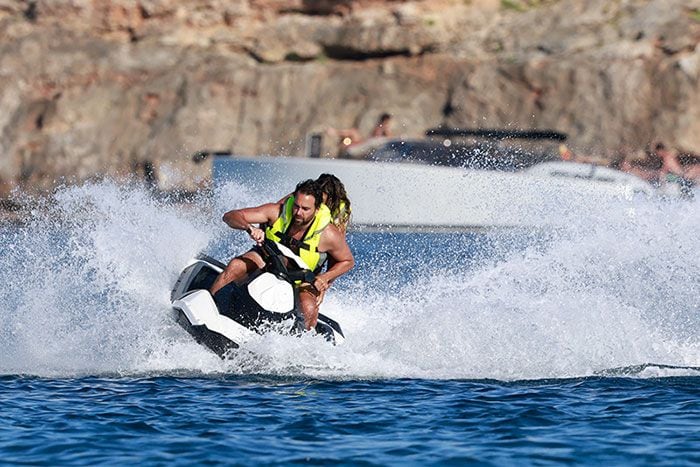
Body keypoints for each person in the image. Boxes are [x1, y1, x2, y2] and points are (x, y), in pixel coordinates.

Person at [210, 179, 355, 330]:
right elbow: (230, 216)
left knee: (309, 308)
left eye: (305, 209)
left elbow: (347, 261)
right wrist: (250, 228)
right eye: (296, 206)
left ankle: (301, 343)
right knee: (236, 265)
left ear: (317, 209)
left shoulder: (329, 234)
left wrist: (325, 279)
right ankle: (210, 309)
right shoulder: (276, 211)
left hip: (301, 275)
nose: (298, 213)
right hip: (267, 259)